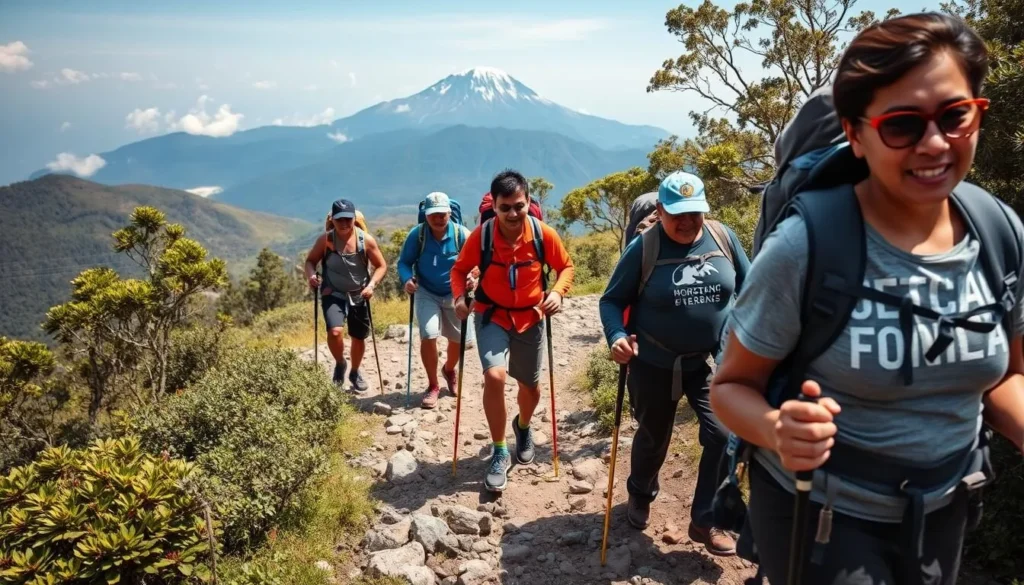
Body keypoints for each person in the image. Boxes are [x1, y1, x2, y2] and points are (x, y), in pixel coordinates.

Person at [710, 13, 1024, 584]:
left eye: (955, 116)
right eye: (902, 125)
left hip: (946, 508)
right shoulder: (807, 246)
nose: (934, 143)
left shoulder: (999, 233)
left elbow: (1005, 377)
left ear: (979, 113)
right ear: (856, 133)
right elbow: (730, 387)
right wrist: (780, 429)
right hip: (827, 517)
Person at [599, 171, 750, 556]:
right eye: (677, 214)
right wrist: (617, 337)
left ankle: (705, 519)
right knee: (654, 436)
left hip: (708, 362)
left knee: (723, 433)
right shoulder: (645, 247)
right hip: (652, 361)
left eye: (695, 213)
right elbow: (611, 300)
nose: (686, 222)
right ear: (662, 210)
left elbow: (750, 288)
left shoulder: (722, 238)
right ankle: (641, 492)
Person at [451, 169, 575, 492]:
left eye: (518, 206)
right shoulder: (482, 236)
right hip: (491, 315)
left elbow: (566, 267)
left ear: (528, 201)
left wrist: (557, 293)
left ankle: (523, 426)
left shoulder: (542, 234)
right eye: (505, 207)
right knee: (494, 376)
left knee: (530, 388)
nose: (512, 213)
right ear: (494, 206)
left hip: (531, 317)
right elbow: (459, 269)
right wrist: (458, 299)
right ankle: (500, 450)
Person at [397, 192, 475, 409]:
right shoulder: (418, 236)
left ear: (450, 213)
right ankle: (433, 385)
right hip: (426, 291)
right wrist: (406, 280)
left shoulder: (462, 235)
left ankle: (449, 369)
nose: (439, 219)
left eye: (442, 214)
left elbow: (478, 263)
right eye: (434, 215)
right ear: (426, 215)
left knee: (459, 341)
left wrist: (472, 276)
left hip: (455, 292)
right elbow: (404, 263)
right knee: (429, 334)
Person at [305, 198, 388, 392]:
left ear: (354, 218)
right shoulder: (326, 240)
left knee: (358, 337)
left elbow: (381, 266)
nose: (344, 223)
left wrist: (372, 285)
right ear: (332, 219)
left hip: (360, 294)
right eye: (340, 219)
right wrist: (311, 277)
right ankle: (340, 363)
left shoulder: (365, 240)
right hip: (332, 292)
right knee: (334, 332)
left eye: (348, 219)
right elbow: (310, 261)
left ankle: (355, 371)